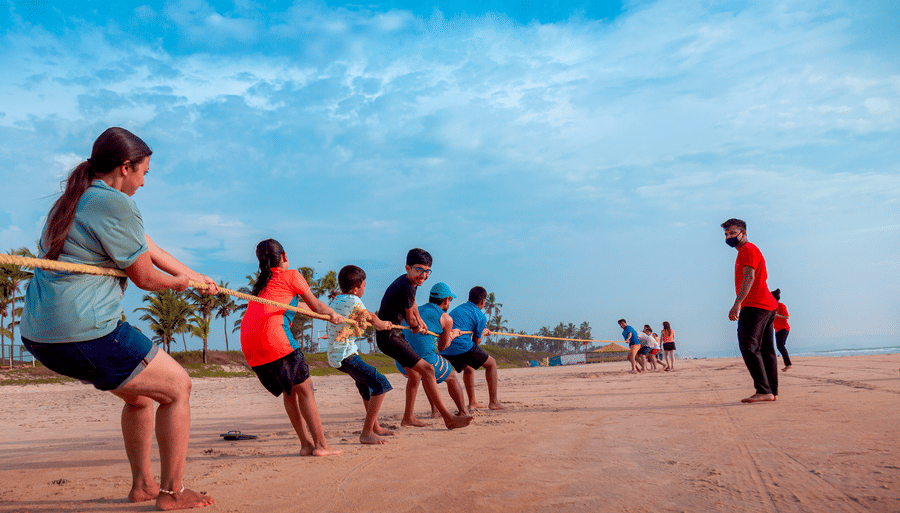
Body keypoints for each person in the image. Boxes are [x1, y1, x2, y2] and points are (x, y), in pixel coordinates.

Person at [19, 127, 217, 511]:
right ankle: (172, 494)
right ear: (125, 167)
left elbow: (148, 246)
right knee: (178, 387)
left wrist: (195, 276)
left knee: (141, 398)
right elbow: (144, 276)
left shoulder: (75, 199)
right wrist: (179, 284)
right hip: (84, 332)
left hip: (40, 335)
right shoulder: (115, 203)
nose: (144, 183)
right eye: (143, 173)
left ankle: (143, 485)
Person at [239, 239, 344, 456]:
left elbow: (300, 307)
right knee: (306, 391)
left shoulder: (261, 285)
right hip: (276, 342)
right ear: (284, 256)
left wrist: (325, 312)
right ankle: (322, 446)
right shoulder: (292, 275)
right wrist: (332, 313)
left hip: (251, 347)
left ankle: (306, 444)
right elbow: (316, 305)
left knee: (290, 392)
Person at [375, 249, 472, 430]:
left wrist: (421, 322)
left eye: (427, 271)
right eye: (420, 269)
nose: (424, 275)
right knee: (428, 370)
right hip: (389, 337)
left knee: (415, 374)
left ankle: (408, 417)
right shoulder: (405, 286)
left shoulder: (411, 283)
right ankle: (448, 418)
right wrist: (415, 325)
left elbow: (413, 308)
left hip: (395, 336)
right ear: (408, 268)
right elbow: (410, 319)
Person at [325, 265, 396, 444]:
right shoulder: (353, 300)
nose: (365, 289)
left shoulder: (336, 300)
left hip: (339, 355)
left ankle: (375, 427)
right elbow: (370, 316)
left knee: (366, 386)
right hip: (345, 356)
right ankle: (366, 433)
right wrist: (382, 324)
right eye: (364, 286)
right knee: (380, 383)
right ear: (356, 289)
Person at [396, 282, 469, 426]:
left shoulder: (416, 310)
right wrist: (453, 335)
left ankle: (421, 414)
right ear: (446, 300)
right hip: (424, 361)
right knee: (451, 377)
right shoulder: (446, 318)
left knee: (417, 375)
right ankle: (463, 411)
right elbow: (442, 347)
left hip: (401, 361)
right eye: (450, 300)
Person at [722, 218, 779, 403]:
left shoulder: (747, 249)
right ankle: (771, 392)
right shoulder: (746, 251)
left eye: (732, 233)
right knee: (766, 349)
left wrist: (737, 303)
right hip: (767, 305)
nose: (728, 237)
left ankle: (763, 390)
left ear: (743, 233)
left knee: (748, 346)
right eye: (726, 234)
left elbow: (749, 276)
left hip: (756, 305)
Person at [442, 286, 506, 411]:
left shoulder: (458, 309)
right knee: (492, 364)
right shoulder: (480, 316)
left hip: (445, 348)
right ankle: (493, 402)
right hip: (461, 347)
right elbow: (476, 342)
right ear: (483, 302)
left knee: (469, 368)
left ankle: (473, 402)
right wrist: (483, 333)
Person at [771, 289, 792, 371]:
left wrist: (777, 315)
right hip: (777, 329)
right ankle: (788, 364)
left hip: (784, 328)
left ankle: (788, 364)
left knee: (780, 346)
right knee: (779, 346)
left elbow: (787, 317)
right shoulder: (772, 307)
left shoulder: (781, 305)